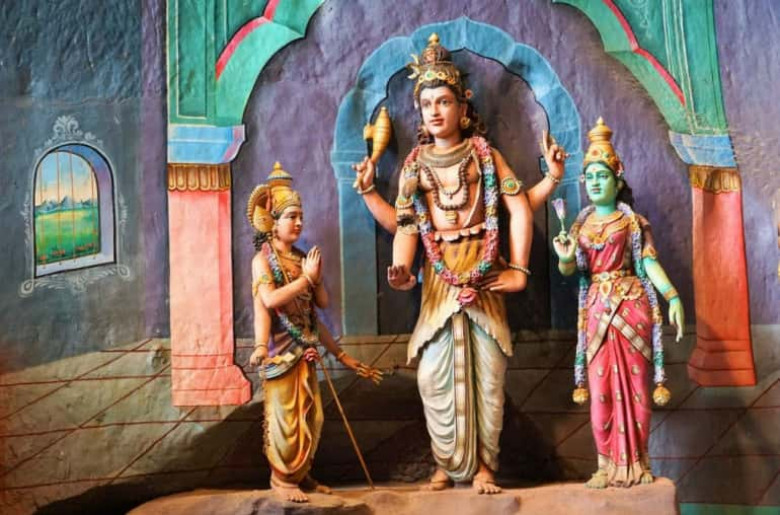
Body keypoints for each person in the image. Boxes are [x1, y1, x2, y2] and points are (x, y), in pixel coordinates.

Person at [353, 34, 567, 494]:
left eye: (444, 101)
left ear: (463, 107)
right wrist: (401, 268)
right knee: (433, 376)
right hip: (438, 279)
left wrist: (518, 269)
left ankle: (486, 466)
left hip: (484, 272)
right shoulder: (415, 166)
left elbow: (518, 209)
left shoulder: (485, 157)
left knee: (488, 376)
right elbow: (406, 224)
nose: (435, 111)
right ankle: (445, 464)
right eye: (426, 103)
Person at [552, 118, 684, 488]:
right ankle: (604, 465)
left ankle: (639, 462)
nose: (595, 182)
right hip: (596, 312)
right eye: (589, 177)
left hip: (632, 308)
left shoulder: (632, 223)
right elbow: (571, 270)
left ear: (618, 179)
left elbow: (648, 263)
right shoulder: (579, 227)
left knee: (638, 389)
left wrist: (672, 295)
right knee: (601, 393)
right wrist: (565, 257)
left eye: (602, 176)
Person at [247, 163, 382, 503]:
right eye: (291, 216)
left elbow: (318, 307)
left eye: (301, 217)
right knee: (286, 419)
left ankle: (302, 473)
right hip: (280, 352)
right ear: (272, 222)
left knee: (311, 417)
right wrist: (306, 280)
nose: (298, 223)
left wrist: (342, 355)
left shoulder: (302, 258)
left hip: (306, 350)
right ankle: (282, 479)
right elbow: (269, 301)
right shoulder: (263, 260)